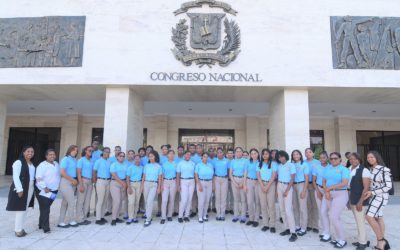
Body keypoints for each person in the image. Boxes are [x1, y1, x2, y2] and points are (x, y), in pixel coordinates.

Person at [320, 152, 350, 249]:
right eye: (331, 159)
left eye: (335, 158)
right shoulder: (327, 168)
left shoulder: (344, 169)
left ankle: (342, 239)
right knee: (328, 214)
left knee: (333, 216)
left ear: (340, 159)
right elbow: (323, 181)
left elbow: (344, 183)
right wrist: (326, 191)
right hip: (328, 194)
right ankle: (335, 237)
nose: (333, 160)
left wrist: (330, 188)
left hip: (340, 194)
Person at [363, 151, 392, 250]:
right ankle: (380, 243)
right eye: (368, 158)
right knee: (378, 217)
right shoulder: (371, 169)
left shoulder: (383, 170)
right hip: (374, 196)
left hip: (381, 197)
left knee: (368, 216)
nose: (370, 159)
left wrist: (372, 193)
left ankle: (381, 241)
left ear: (377, 158)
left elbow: (388, 186)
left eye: (372, 157)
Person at [6, 146, 36, 237]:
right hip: (22, 188)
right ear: (23, 152)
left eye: (32, 152)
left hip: (30, 188)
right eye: (28, 151)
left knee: (25, 209)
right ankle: (18, 230)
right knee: (20, 209)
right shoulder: (18, 162)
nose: (30, 153)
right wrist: (19, 189)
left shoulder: (31, 163)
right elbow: (15, 177)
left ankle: (20, 227)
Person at [348, 153, 371, 250]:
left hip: (359, 198)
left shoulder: (364, 170)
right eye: (351, 159)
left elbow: (366, 187)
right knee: (358, 221)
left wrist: (361, 201)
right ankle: (362, 239)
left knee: (360, 221)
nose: (353, 161)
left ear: (359, 159)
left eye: (355, 159)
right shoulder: (349, 169)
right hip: (351, 196)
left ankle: (363, 243)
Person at [35, 149, 60, 233]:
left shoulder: (56, 164)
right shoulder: (42, 165)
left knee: (45, 207)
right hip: (44, 191)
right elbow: (38, 178)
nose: (52, 156)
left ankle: (41, 224)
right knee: (46, 208)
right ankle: (46, 228)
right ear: (46, 156)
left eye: (53, 154)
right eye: (50, 154)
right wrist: (44, 187)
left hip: (54, 191)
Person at [276, 150, 297, 242]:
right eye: (279, 157)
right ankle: (287, 228)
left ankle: (293, 232)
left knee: (288, 210)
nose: (281, 158)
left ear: (286, 156)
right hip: (279, 185)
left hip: (287, 186)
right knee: (282, 209)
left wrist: (287, 190)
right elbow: (278, 177)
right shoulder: (279, 166)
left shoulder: (291, 165)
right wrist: (278, 190)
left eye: (282, 156)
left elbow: (292, 179)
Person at [58, 145, 79, 228]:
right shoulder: (65, 159)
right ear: (69, 150)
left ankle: (61, 221)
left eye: (76, 150)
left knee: (65, 202)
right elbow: (62, 172)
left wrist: (75, 180)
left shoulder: (75, 160)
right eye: (74, 150)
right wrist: (72, 180)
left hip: (73, 182)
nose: (75, 152)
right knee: (71, 202)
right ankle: (71, 220)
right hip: (66, 182)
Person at [257, 148, 277, 233]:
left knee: (271, 205)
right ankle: (265, 224)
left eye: (266, 154)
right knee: (263, 205)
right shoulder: (259, 164)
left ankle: (272, 225)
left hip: (271, 185)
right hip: (261, 184)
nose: (265, 155)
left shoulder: (273, 163)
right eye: (263, 154)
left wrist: (267, 186)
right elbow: (258, 176)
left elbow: (273, 176)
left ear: (269, 155)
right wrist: (262, 186)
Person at [142, 150, 162, 226]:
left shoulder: (159, 166)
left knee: (150, 201)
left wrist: (159, 187)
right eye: (149, 156)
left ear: (155, 157)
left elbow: (160, 178)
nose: (150, 157)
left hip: (154, 184)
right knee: (146, 201)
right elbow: (143, 177)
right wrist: (141, 187)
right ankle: (148, 214)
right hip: (146, 184)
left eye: (152, 156)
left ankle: (148, 218)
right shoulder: (146, 166)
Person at [291, 149, 309, 236]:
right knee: (295, 207)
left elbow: (306, 179)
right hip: (293, 186)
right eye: (294, 155)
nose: (295, 156)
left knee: (303, 208)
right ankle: (297, 225)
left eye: (297, 154)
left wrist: (304, 190)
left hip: (301, 185)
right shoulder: (292, 164)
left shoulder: (304, 164)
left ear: (300, 155)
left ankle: (303, 227)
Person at [312, 151, 329, 238]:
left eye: (324, 157)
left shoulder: (331, 167)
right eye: (321, 157)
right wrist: (318, 191)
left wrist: (326, 192)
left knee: (325, 211)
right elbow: (314, 180)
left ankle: (328, 231)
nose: (322, 159)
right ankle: (324, 230)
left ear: (327, 158)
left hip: (328, 191)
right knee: (321, 211)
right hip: (318, 189)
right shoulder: (316, 167)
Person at [93, 147, 111, 225]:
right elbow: (94, 172)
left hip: (108, 181)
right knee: (100, 200)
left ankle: (102, 217)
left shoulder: (109, 162)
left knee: (105, 200)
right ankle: (97, 219)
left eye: (108, 152)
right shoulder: (98, 161)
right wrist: (94, 182)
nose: (107, 153)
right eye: (106, 152)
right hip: (100, 181)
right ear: (103, 152)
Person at [229, 147, 248, 223]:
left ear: (242, 153)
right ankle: (236, 215)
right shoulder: (233, 161)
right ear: (235, 153)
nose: (238, 153)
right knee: (236, 200)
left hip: (243, 180)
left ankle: (243, 216)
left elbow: (246, 172)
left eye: (240, 151)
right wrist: (234, 182)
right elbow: (230, 173)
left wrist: (243, 182)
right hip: (234, 180)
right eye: (237, 151)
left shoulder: (245, 161)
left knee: (243, 200)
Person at [76, 146, 94, 225]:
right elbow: (78, 173)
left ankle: (84, 218)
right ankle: (79, 219)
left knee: (87, 201)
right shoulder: (81, 160)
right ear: (85, 151)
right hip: (83, 180)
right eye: (89, 150)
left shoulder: (91, 161)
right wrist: (81, 184)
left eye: (92, 151)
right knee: (81, 200)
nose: (91, 151)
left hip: (90, 182)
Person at [195, 152, 214, 223]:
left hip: (209, 183)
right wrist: (199, 185)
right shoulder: (198, 165)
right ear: (202, 158)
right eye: (204, 156)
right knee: (201, 201)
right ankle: (200, 216)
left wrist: (213, 185)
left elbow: (212, 176)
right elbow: (196, 175)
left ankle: (205, 215)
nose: (205, 158)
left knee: (207, 200)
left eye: (207, 157)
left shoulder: (210, 165)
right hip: (201, 183)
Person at [177, 151, 196, 222]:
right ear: (184, 155)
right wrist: (178, 185)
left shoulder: (193, 163)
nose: (188, 155)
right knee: (184, 200)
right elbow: (178, 175)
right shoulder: (180, 163)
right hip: (183, 181)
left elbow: (195, 174)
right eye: (187, 154)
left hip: (191, 181)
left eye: (189, 154)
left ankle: (186, 216)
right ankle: (180, 216)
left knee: (189, 199)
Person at [244, 148, 261, 227]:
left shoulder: (260, 162)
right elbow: (245, 173)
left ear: (258, 154)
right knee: (250, 202)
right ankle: (251, 218)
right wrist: (245, 184)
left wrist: (257, 181)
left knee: (257, 202)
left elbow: (262, 174)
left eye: (255, 153)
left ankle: (256, 219)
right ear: (250, 155)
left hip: (258, 183)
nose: (253, 155)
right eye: (252, 153)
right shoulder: (247, 162)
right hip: (249, 182)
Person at [110, 151, 127, 225]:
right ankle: (113, 219)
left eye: (123, 156)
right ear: (117, 157)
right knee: (116, 201)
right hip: (115, 183)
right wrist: (123, 183)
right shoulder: (114, 164)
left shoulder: (125, 165)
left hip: (123, 184)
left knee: (120, 201)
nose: (122, 157)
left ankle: (117, 217)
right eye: (120, 156)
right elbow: (114, 175)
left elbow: (127, 175)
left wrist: (124, 184)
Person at [304, 148, 320, 233]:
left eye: (309, 152)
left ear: (313, 153)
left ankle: (315, 225)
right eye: (306, 152)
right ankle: (309, 224)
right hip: (306, 185)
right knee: (308, 205)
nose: (308, 154)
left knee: (315, 206)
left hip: (315, 185)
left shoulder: (317, 162)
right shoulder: (303, 162)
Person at [160, 150, 177, 224]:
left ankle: (169, 215)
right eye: (170, 154)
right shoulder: (164, 164)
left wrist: (177, 185)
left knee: (172, 199)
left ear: (174, 155)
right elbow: (162, 175)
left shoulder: (176, 164)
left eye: (172, 154)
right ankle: (163, 217)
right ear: (167, 155)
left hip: (173, 182)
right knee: (164, 200)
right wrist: (161, 185)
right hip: (165, 182)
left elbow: (177, 175)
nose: (171, 155)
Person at [126, 154, 143, 224]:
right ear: (134, 160)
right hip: (131, 184)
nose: (137, 160)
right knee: (131, 202)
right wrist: (129, 187)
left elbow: (143, 177)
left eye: (139, 158)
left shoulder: (142, 167)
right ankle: (130, 217)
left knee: (137, 202)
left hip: (139, 184)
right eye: (136, 158)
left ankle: (134, 217)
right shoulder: (130, 167)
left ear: (140, 160)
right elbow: (127, 178)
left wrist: (142, 187)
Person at [213, 147, 229, 221]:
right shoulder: (214, 160)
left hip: (224, 179)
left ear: (223, 153)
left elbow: (229, 170)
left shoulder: (227, 160)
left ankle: (222, 214)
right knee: (217, 197)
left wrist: (227, 176)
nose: (219, 154)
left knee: (223, 197)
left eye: (221, 152)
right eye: (218, 152)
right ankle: (218, 213)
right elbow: (213, 170)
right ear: (217, 153)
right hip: (216, 179)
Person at [226, 148, 235, 215]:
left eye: (231, 153)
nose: (230, 154)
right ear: (227, 154)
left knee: (232, 195)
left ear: (233, 154)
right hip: (225, 180)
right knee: (226, 195)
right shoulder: (225, 161)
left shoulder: (235, 161)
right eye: (229, 153)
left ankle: (231, 208)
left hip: (233, 180)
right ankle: (226, 208)